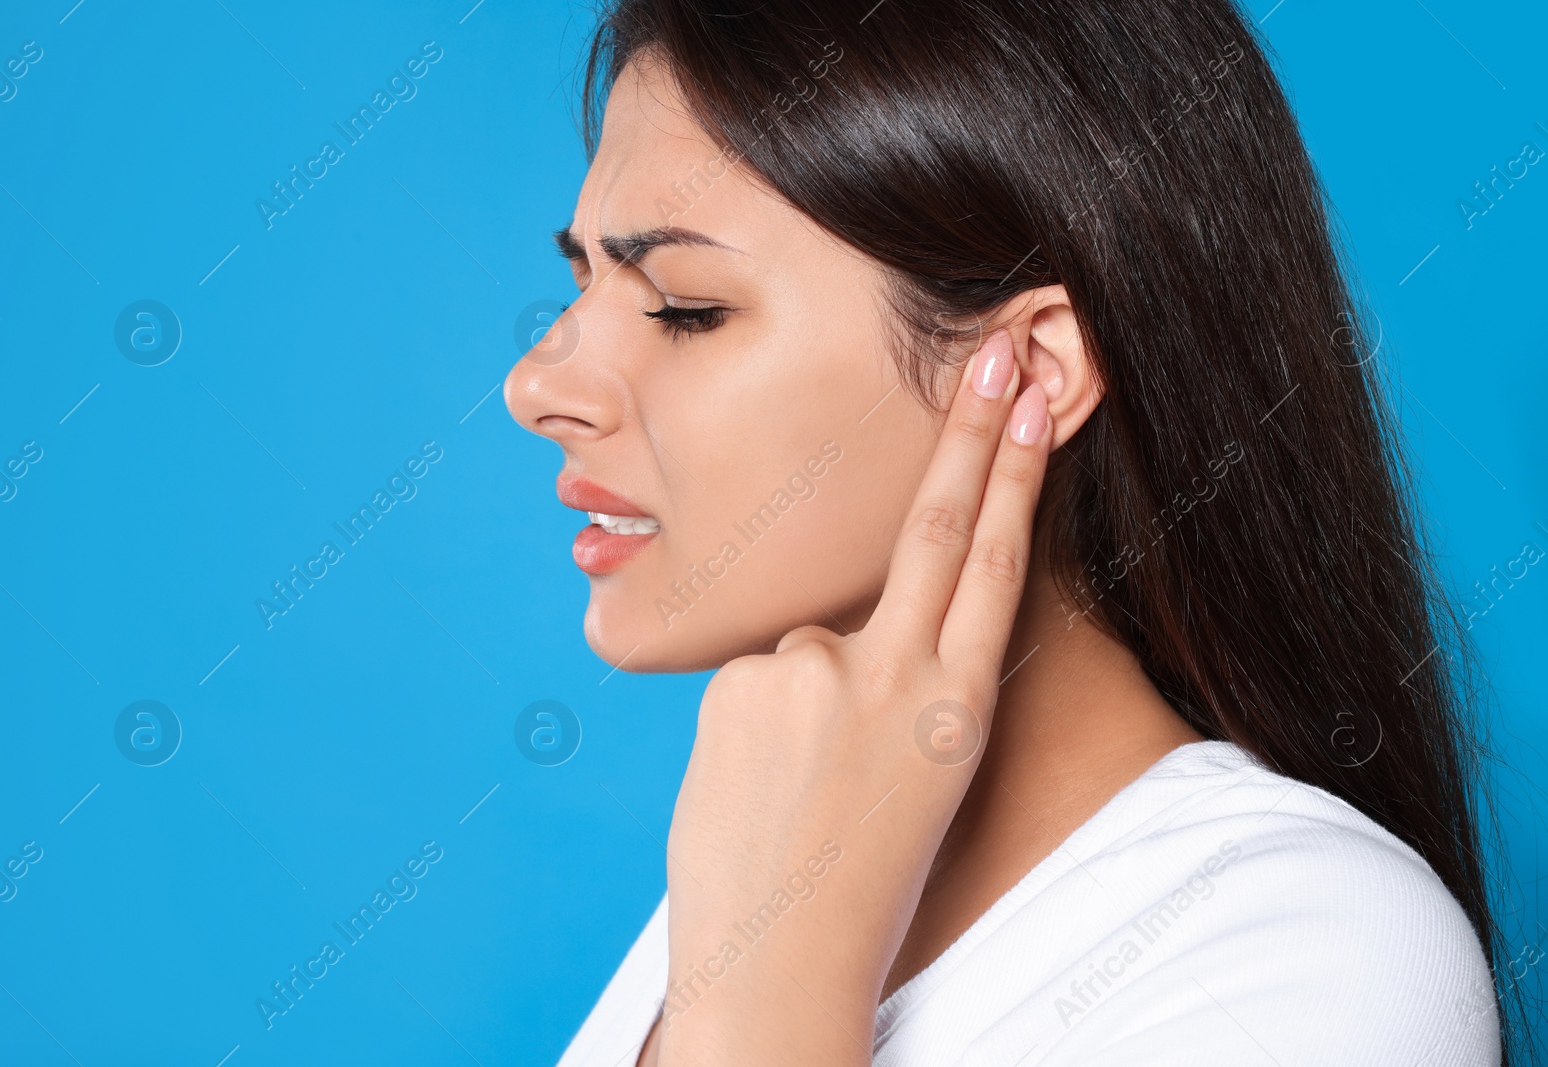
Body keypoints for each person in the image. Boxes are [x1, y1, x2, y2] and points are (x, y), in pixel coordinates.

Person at [503, 1, 1522, 1062]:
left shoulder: (1317, 947)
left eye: (681, 306)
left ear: (1031, 369)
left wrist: (762, 1000)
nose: (535, 384)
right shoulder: (782, 839)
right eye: (583, 280)